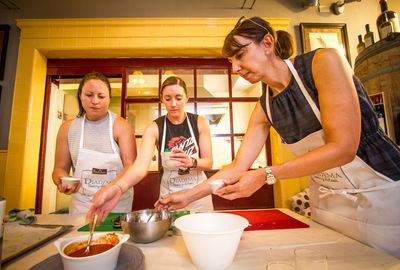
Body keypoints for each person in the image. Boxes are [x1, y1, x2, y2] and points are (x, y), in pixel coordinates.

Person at [156, 17, 400, 258]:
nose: (235, 68)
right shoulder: (265, 108)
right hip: (328, 201)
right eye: (231, 62)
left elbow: (344, 148)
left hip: (378, 191)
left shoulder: (323, 62)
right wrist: (187, 197)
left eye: (239, 55)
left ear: (267, 43)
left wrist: (266, 175)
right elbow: (238, 166)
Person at [86, 76, 213, 221]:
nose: (173, 104)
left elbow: (209, 163)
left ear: (187, 98)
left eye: (178, 98)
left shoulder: (199, 123)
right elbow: (140, 165)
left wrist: (192, 162)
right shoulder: (154, 128)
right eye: (168, 98)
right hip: (169, 197)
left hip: (199, 199)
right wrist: (117, 187)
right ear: (162, 99)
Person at [52, 72, 137, 214]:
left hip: (116, 205)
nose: (95, 101)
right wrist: (61, 180)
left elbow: (131, 167)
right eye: (89, 95)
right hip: (82, 206)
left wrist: (112, 188)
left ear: (109, 98)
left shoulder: (121, 126)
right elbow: (59, 168)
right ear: (80, 96)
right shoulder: (67, 129)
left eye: (101, 96)